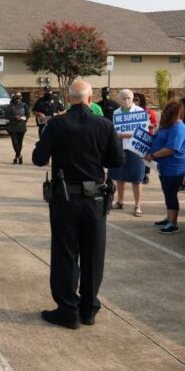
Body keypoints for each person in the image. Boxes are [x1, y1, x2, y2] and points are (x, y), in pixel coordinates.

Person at [32, 79, 124, 329]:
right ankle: (88, 309)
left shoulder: (57, 123)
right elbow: (117, 160)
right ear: (90, 99)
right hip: (95, 198)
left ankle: (67, 310)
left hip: (65, 199)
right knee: (94, 254)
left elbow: (39, 159)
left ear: (69, 99)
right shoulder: (104, 125)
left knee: (66, 253)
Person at [145, 100, 185, 234]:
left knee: (171, 194)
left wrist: (153, 155)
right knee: (167, 193)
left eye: (167, 110)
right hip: (164, 166)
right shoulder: (167, 125)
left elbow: (172, 148)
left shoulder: (178, 126)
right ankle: (169, 217)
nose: (164, 112)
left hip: (174, 167)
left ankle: (173, 223)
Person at [108, 89, 145, 217]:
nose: (126, 100)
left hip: (135, 150)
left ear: (133, 98)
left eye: (129, 98)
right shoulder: (116, 113)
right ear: (120, 99)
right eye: (123, 98)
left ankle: (137, 205)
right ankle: (120, 201)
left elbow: (141, 132)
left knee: (137, 179)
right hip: (120, 148)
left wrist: (123, 134)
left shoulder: (140, 112)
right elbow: (114, 131)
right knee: (119, 177)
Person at [134, 92, 158, 184]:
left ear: (141, 100)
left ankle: (145, 175)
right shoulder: (132, 111)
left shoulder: (149, 112)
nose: (135, 102)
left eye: (137, 100)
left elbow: (155, 124)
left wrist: (150, 125)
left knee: (146, 156)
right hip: (135, 137)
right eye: (134, 100)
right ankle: (138, 173)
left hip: (146, 136)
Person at [7, 92, 30, 164]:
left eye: (19, 96)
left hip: (21, 126)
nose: (18, 98)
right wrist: (14, 117)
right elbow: (6, 115)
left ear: (21, 97)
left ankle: (16, 156)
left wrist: (23, 118)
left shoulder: (24, 105)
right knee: (15, 142)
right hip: (13, 126)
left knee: (20, 143)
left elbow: (28, 115)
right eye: (16, 96)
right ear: (14, 97)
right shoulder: (10, 106)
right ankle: (19, 155)